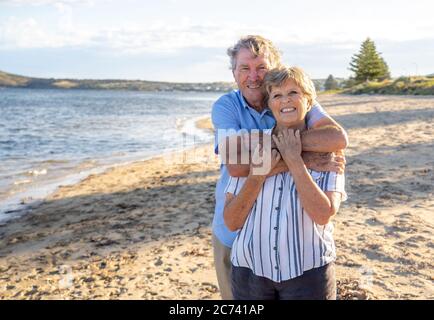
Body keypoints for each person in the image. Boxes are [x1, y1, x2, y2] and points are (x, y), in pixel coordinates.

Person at [211, 35, 348, 299]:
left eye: (261, 67)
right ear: (233, 72)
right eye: (244, 68)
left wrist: (267, 151)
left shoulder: (296, 98)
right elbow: (237, 165)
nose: (254, 76)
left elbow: (337, 139)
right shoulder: (226, 107)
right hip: (236, 238)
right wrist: (301, 157)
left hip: (299, 259)